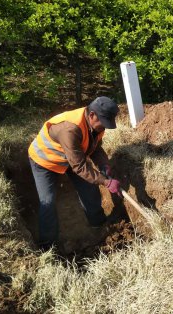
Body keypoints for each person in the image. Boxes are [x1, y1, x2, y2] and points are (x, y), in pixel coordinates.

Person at [28, 96, 122, 251]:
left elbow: (95, 147)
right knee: (48, 201)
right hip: (44, 161)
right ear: (92, 115)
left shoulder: (96, 126)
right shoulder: (70, 129)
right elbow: (79, 166)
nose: (103, 128)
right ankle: (47, 246)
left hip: (70, 157)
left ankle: (98, 224)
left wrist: (104, 165)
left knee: (89, 188)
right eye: (102, 123)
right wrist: (106, 182)